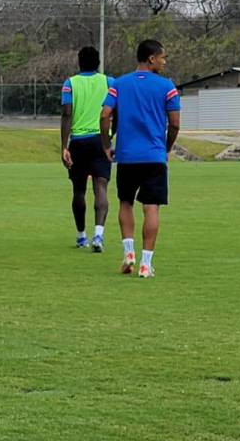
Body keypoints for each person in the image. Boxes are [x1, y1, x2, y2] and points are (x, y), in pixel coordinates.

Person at [99, 39, 180, 278]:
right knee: (151, 207)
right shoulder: (167, 87)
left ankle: (128, 253)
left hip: (126, 155)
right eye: (163, 57)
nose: (164, 62)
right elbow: (175, 123)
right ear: (151, 59)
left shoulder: (119, 84)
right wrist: (167, 147)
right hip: (154, 156)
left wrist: (106, 144)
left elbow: (104, 115)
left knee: (125, 202)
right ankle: (146, 263)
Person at [61, 47, 115, 252]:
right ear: (98, 63)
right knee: (101, 187)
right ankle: (98, 235)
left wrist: (64, 146)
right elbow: (116, 110)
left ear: (79, 63)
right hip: (101, 140)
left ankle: (81, 235)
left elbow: (67, 114)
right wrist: (111, 134)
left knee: (79, 190)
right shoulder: (110, 82)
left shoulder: (70, 84)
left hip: (78, 141)